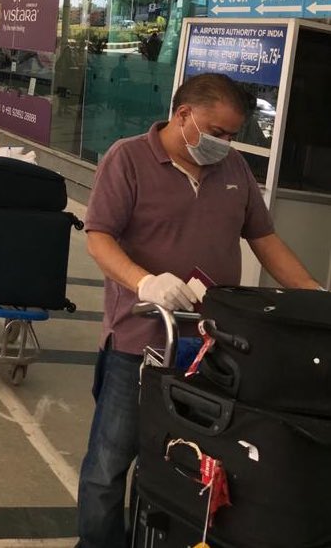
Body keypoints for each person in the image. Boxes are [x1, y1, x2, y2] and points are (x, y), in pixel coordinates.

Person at [76, 72, 322, 548]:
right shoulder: (128, 158)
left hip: (214, 348)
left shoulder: (234, 169)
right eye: (217, 132)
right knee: (109, 464)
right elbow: (99, 237)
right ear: (184, 114)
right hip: (142, 345)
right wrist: (144, 282)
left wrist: (312, 295)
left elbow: (265, 239)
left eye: (232, 135)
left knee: (184, 463)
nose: (224, 144)